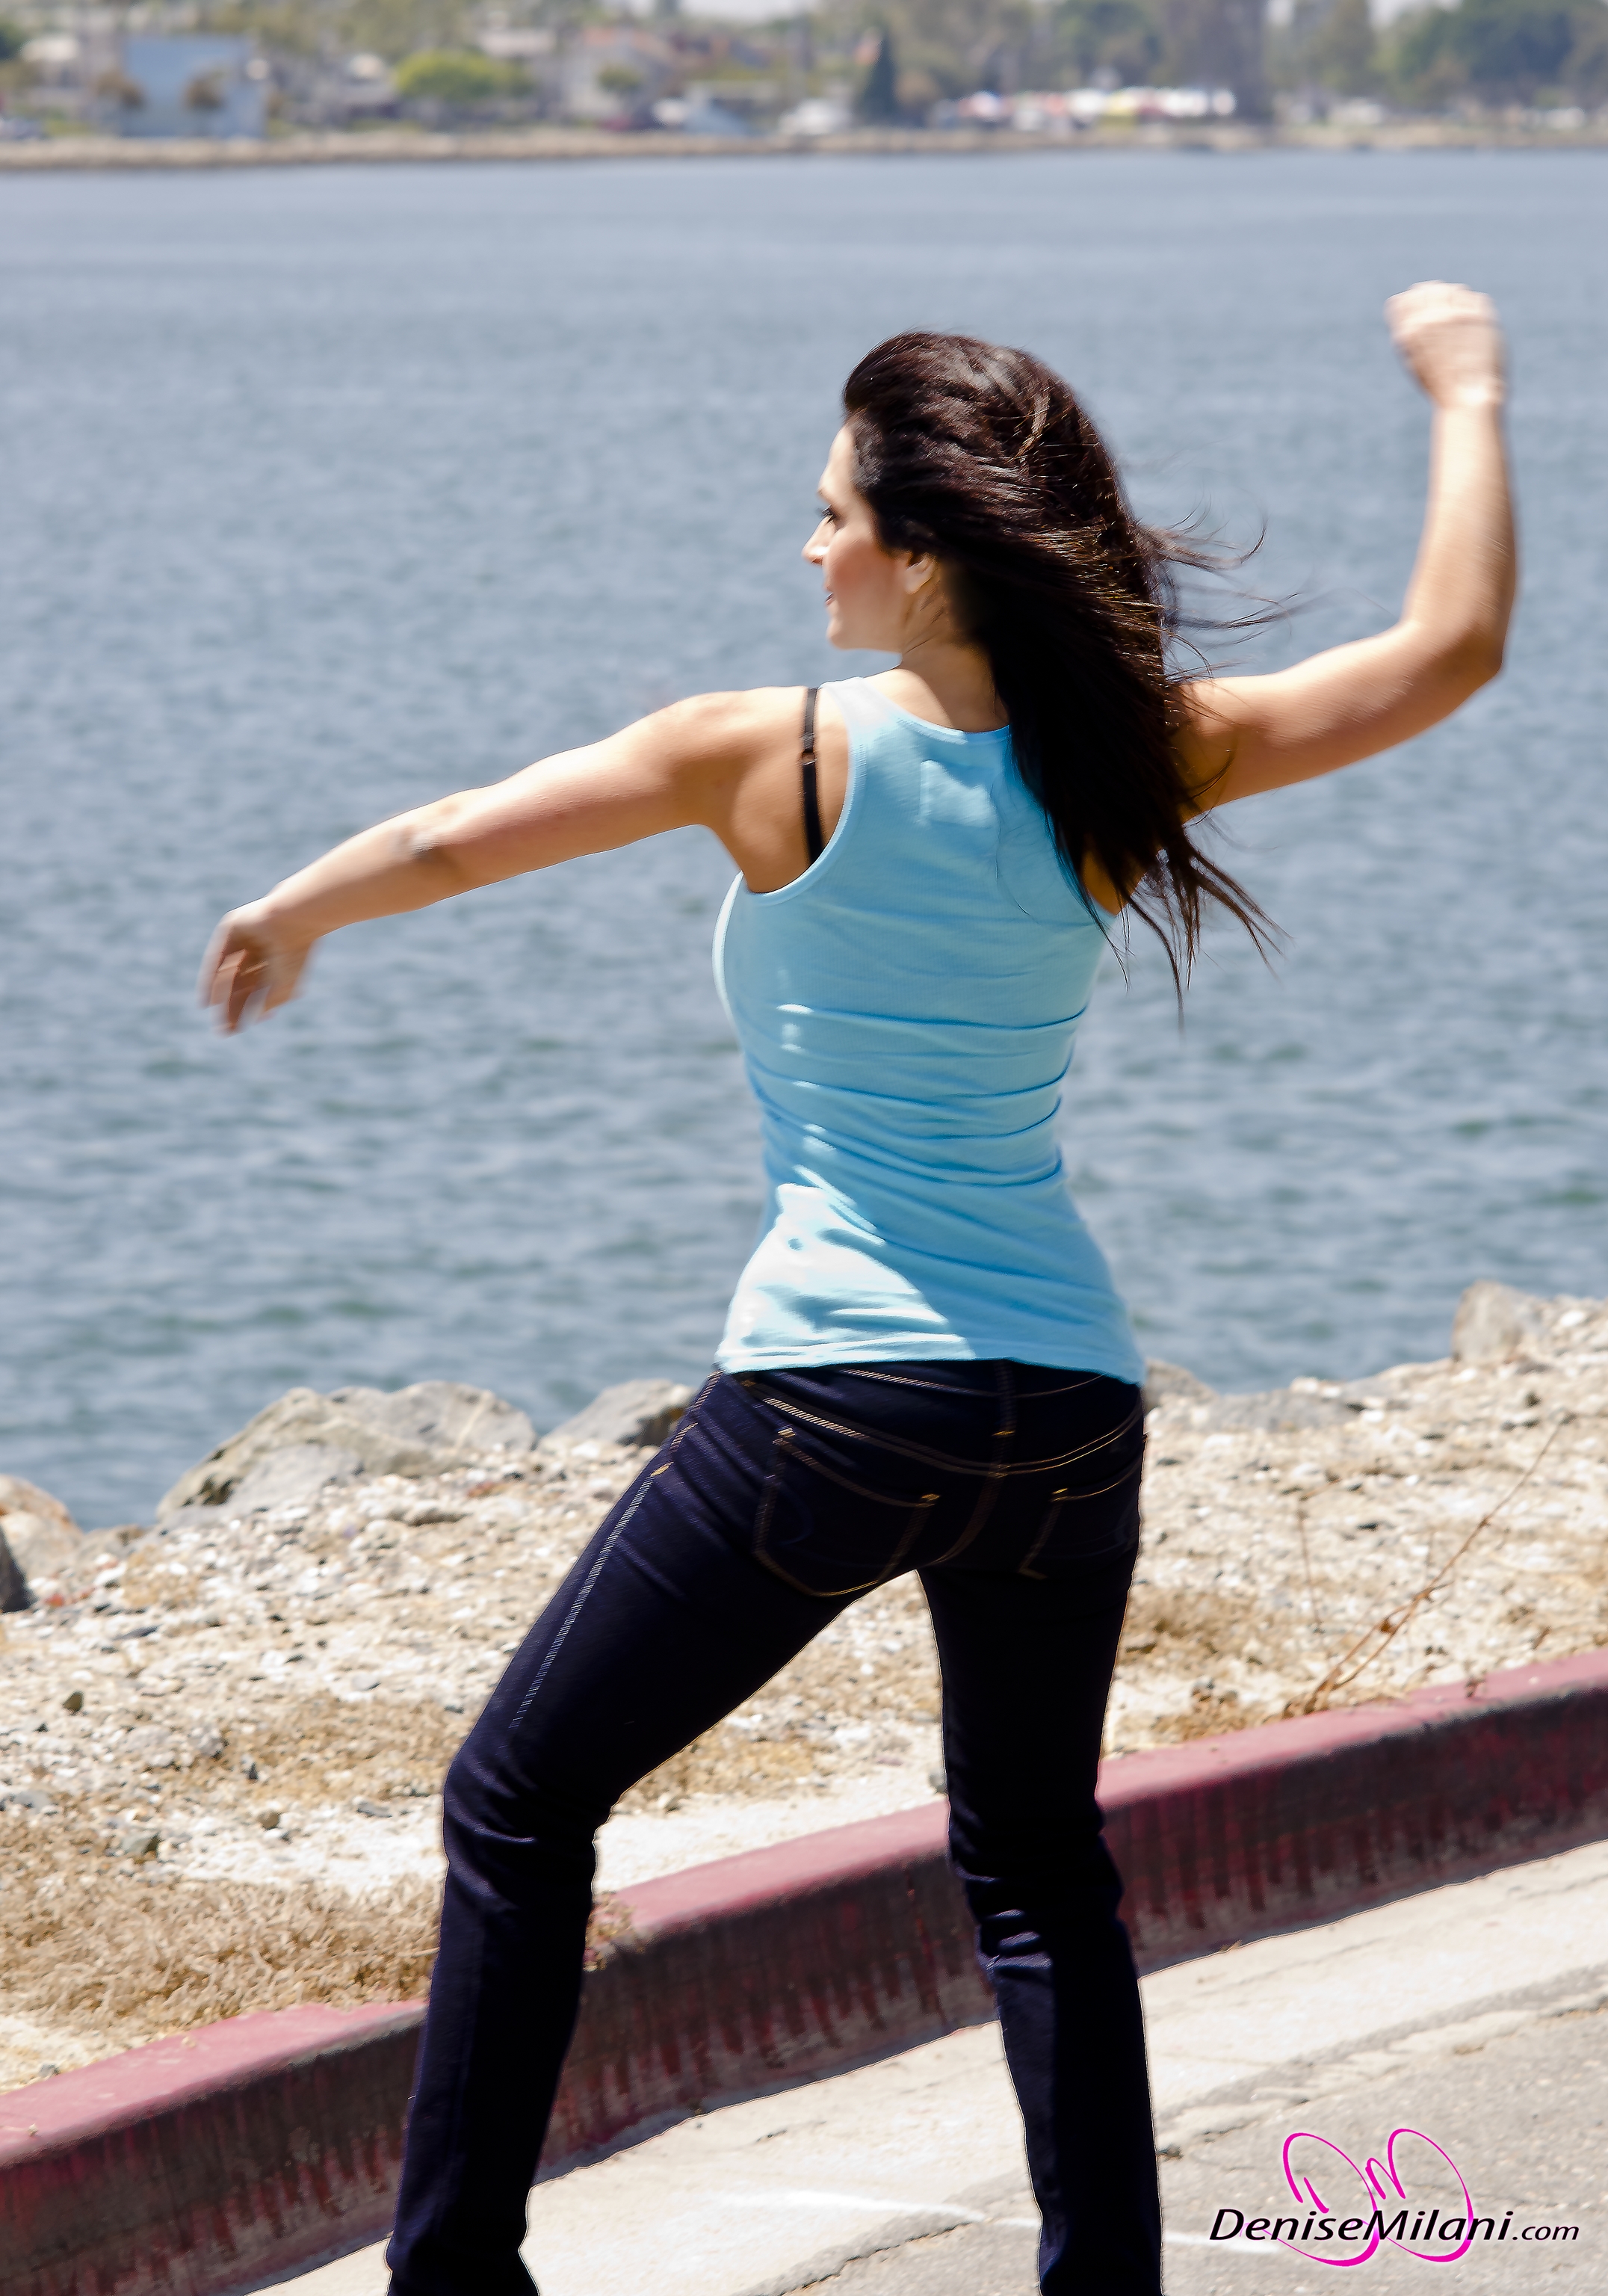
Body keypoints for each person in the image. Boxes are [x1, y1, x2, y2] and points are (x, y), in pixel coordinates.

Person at [202, 281, 1514, 2296]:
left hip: (834, 1396)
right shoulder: (1130, 759)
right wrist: (1468, 391)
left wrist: (295, 909)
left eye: (831, 514)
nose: (806, 544)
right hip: (1065, 1409)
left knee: (519, 1798)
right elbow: (1451, 652)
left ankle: (452, 2276)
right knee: (1035, 1868)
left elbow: (461, 843)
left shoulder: (772, 755)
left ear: (921, 557)